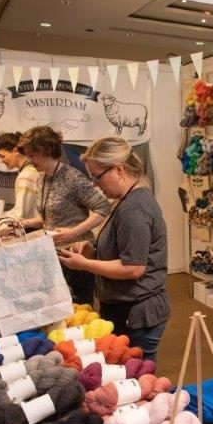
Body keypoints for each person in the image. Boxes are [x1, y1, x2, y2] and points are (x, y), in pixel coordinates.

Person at [57, 137, 169, 363]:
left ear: (118, 169)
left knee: (137, 374)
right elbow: (123, 250)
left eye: (97, 177)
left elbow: (133, 268)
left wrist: (84, 264)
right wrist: (92, 250)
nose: (95, 185)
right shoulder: (126, 200)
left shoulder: (134, 208)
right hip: (128, 308)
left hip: (137, 313)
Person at [18, 126, 109, 305]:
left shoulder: (72, 177)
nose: (29, 160)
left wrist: (73, 232)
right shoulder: (42, 178)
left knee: (81, 310)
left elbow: (102, 208)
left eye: (32, 155)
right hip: (55, 256)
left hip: (78, 254)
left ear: (45, 150)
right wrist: (24, 222)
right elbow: (50, 218)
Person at [0, 131, 40, 220]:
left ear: (15, 151)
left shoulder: (26, 176)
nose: (0, 160)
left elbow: (20, 214)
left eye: (2, 156)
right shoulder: (30, 171)